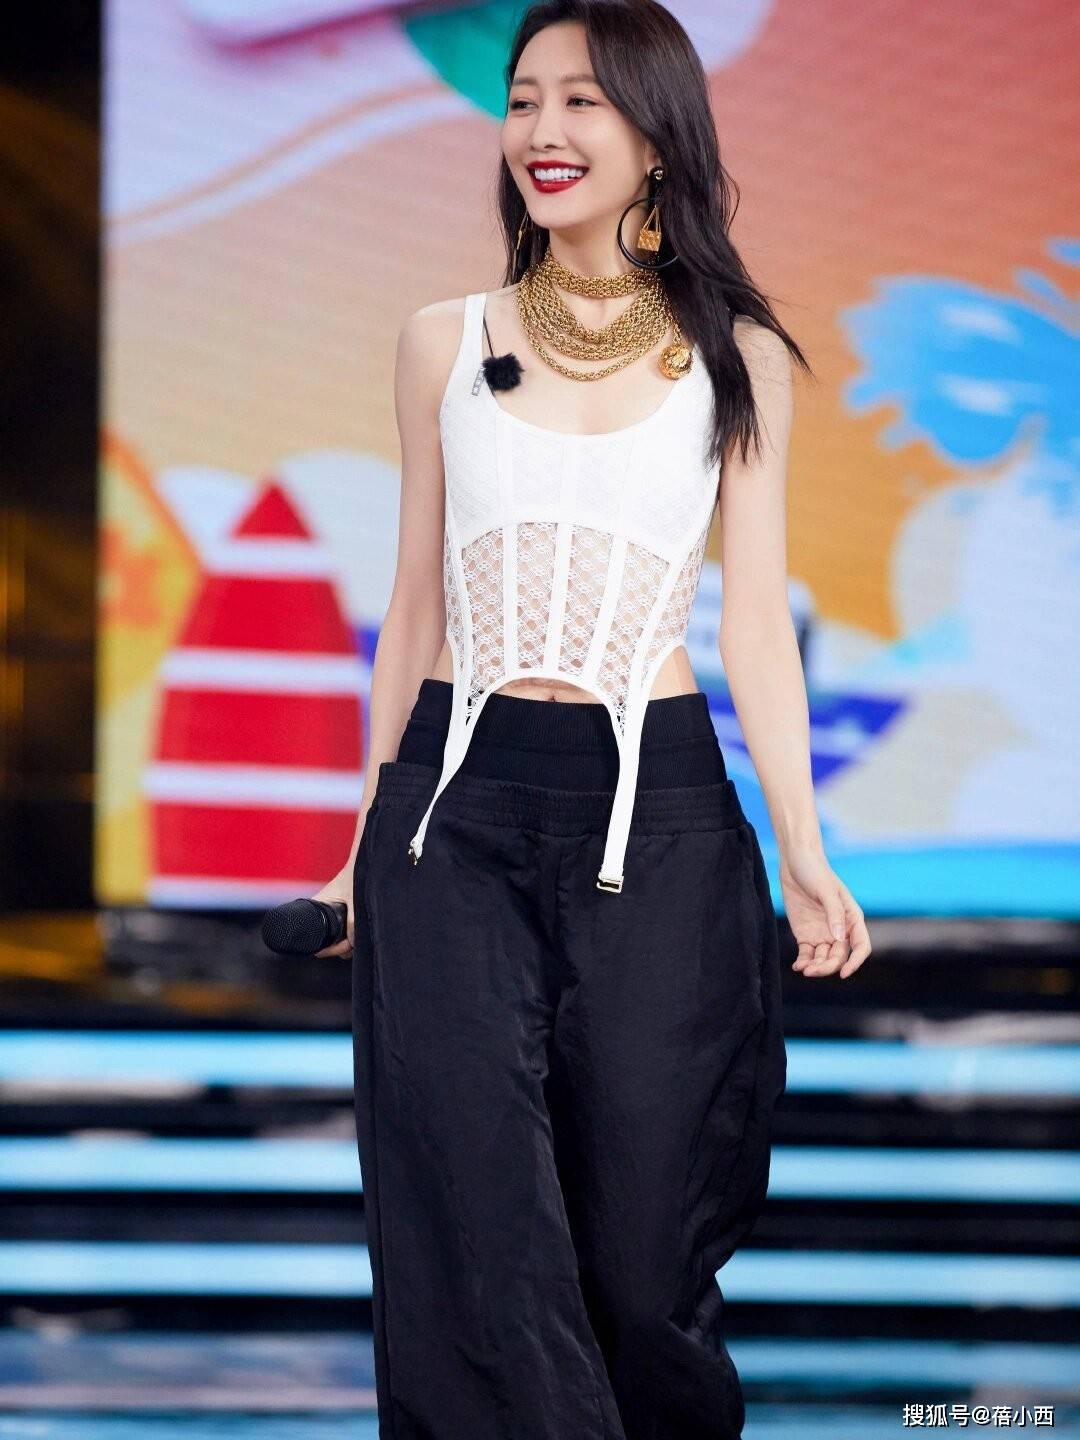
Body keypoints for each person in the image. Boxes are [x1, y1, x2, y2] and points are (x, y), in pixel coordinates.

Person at [315, 1, 872, 1435]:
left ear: (656, 133)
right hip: (457, 811)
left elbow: (755, 624)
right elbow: (415, 607)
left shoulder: (737, 353)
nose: (543, 132)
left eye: (582, 102)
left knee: (640, 1253)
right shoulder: (443, 340)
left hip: (658, 815)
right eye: (523, 101)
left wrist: (804, 848)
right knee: (475, 1227)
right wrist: (365, 837)